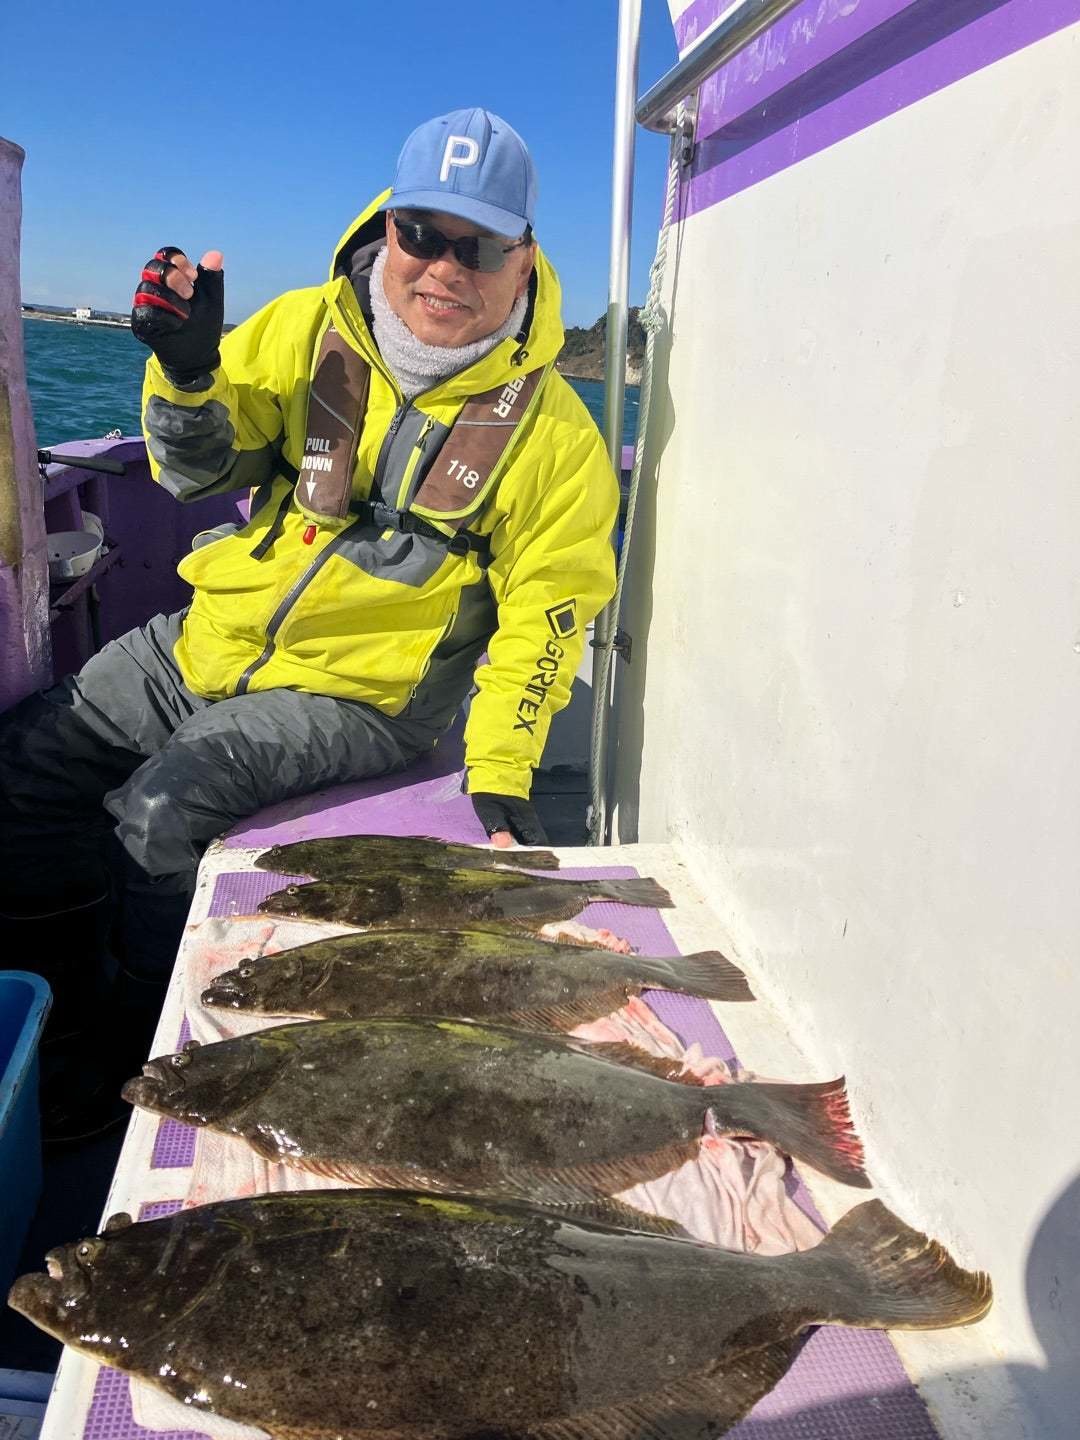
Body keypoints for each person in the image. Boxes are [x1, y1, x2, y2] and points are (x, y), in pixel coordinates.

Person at [0, 108, 618, 1135]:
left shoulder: (555, 436)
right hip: (207, 642)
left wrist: (502, 772)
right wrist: (185, 376)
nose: (445, 268)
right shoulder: (301, 327)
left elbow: (547, 618)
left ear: (524, 259)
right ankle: (56, 1011)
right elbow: (198, 470)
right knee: (25, 770)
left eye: (479, 247)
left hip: (361, 698)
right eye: (423, 233)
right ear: (388, 228)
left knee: (160, 811)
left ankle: (139, 1046)